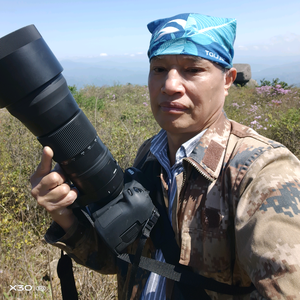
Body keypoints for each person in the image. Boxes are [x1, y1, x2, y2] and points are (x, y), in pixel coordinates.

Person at [30, 13, 300, 300]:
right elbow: (128, 261)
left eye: (193, 69)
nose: (170, 85)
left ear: (227, 80)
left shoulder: (261, 171)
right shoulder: (150, 155)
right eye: (159, 68)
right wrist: (65, 217)